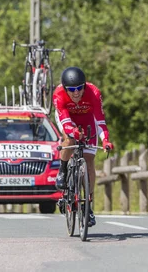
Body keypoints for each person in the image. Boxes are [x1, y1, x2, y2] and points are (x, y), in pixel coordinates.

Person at [52, 66, 114, 227]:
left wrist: (105, 140)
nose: (76, 92)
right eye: (72, 89)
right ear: (65, 88)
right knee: (69, 141)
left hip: (87, 120)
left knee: (89, 160)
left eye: (80, 88)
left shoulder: (93, 92)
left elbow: (100, 120)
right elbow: (65, 123)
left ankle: (88, 204)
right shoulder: (58, 94)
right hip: (68, 120)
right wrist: (73, 132)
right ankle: (63, 170)